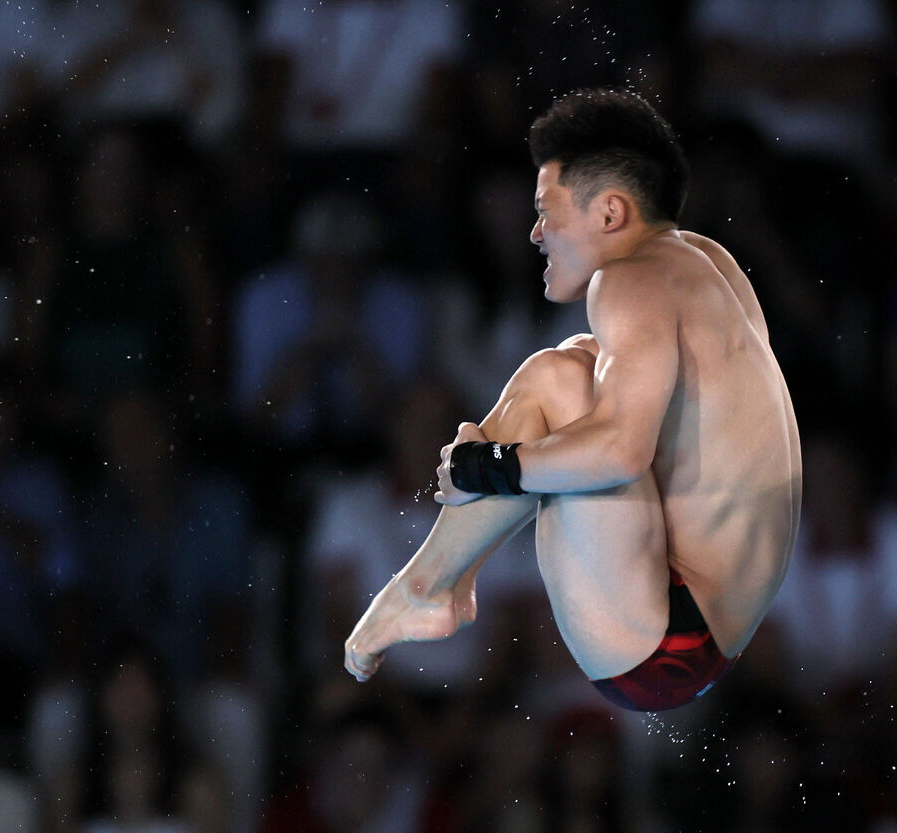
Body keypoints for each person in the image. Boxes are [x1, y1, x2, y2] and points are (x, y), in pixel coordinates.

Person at [344, 88, 802, 712]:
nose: (534, 232)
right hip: (710, 618)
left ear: (610, 213)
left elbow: (619, 451)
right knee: (574, 365)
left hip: (659, 644)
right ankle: (440, 581)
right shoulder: (705, 262)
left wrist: (491, 466)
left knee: (553, 381)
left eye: (546, 210)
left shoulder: (628, 279)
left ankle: (428, 583)